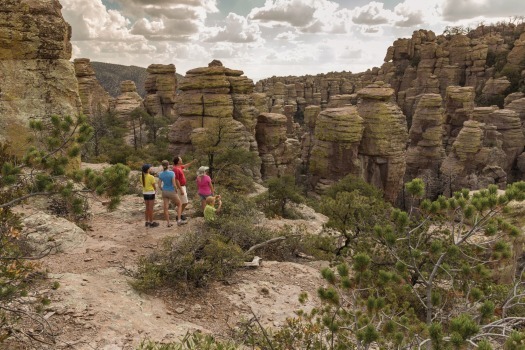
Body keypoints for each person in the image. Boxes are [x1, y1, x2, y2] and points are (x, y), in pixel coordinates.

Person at [157, 160, 187, 227]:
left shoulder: (161, 174)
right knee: (179, 204)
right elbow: (174, 184)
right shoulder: (172, 173)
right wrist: (176, 190)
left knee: (166, 208)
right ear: (168, 165)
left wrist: (162, 189)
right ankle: (179, 220)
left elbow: (159, 185)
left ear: (162, 165)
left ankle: (168, 223)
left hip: (164, 192)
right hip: (171, 191)